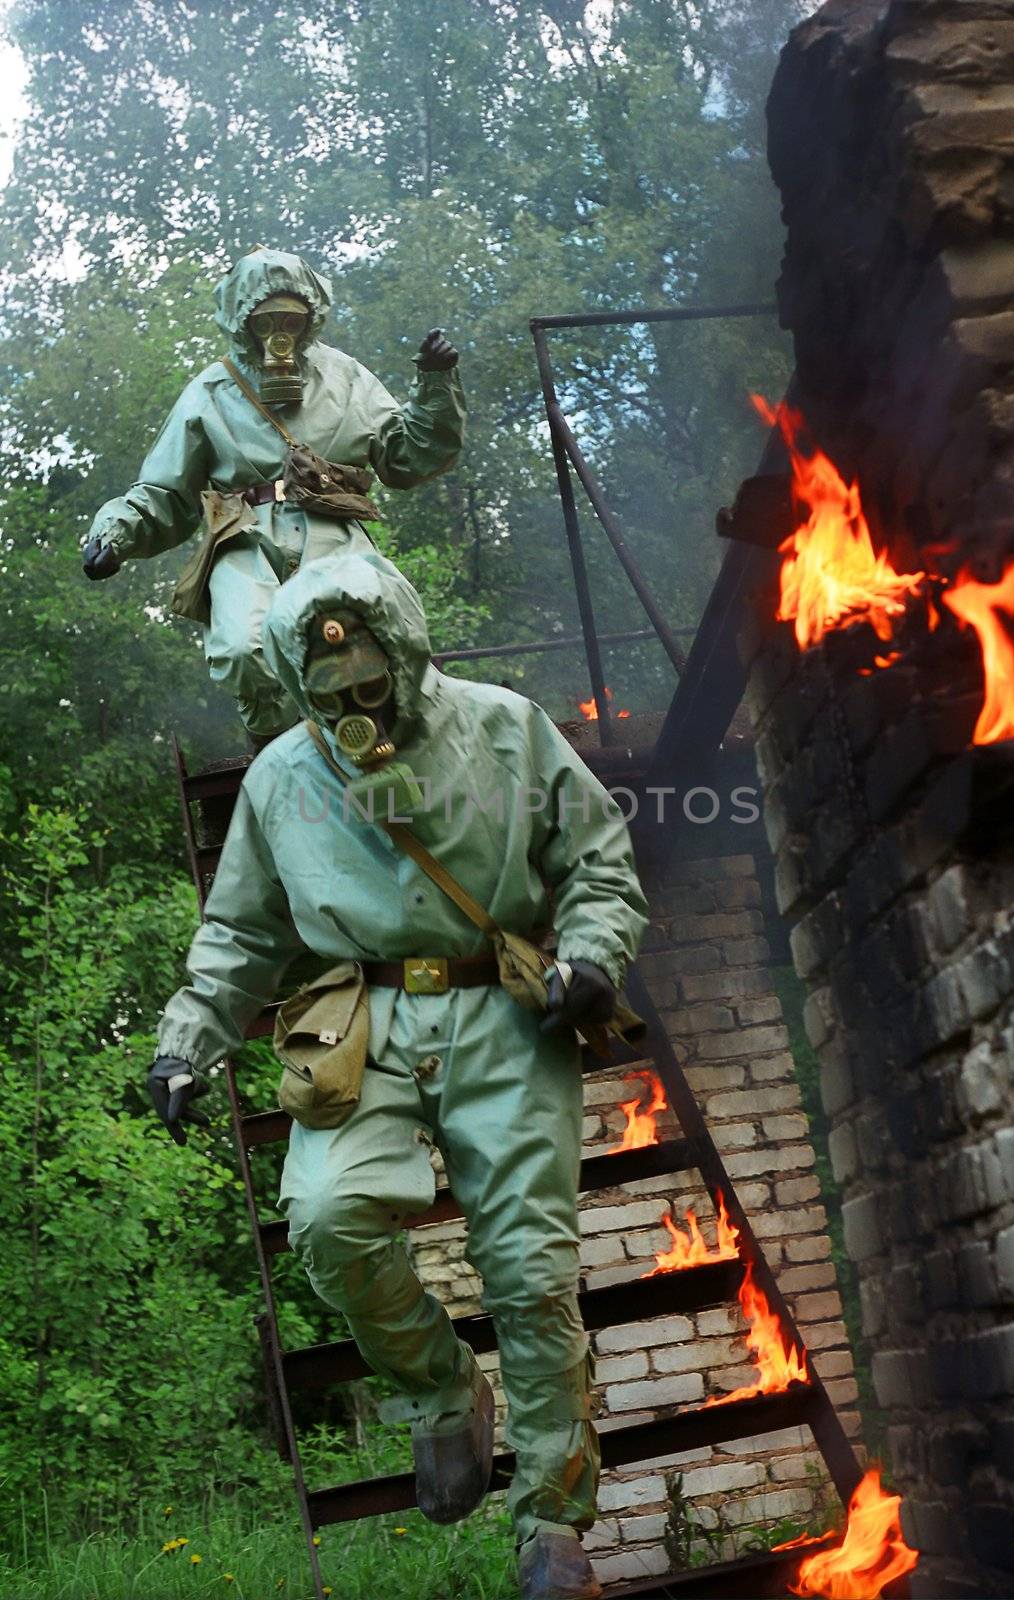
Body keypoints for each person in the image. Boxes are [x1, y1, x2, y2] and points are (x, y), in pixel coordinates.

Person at [147, 550, 649, 1600]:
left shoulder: (505, 726)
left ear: (407, 657)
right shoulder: (284, 777)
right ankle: (438, 1387)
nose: (353, 705)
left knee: (527, 1271)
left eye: (370, 683)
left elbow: (596, 854)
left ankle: (552, 1524)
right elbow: (238, 933)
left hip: (502, 1010)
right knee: (325, 1216)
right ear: (298, 683)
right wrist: (186, 1038)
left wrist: (593, 951)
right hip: (358, 1015)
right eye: (329, 693)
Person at [82, 247, 465, 741]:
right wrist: (115, 535)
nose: (278, 332)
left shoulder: (344, 378)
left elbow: (407, 455)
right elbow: (164, 492)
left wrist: (435, 384)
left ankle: (393, 733)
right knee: (244, 647)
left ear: (311, 315)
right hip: (243, 540)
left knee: (385, 624)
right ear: (242, 320)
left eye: (290, 317)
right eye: (265, 321)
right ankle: (278, 754)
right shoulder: (212, 391)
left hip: (331, 531)